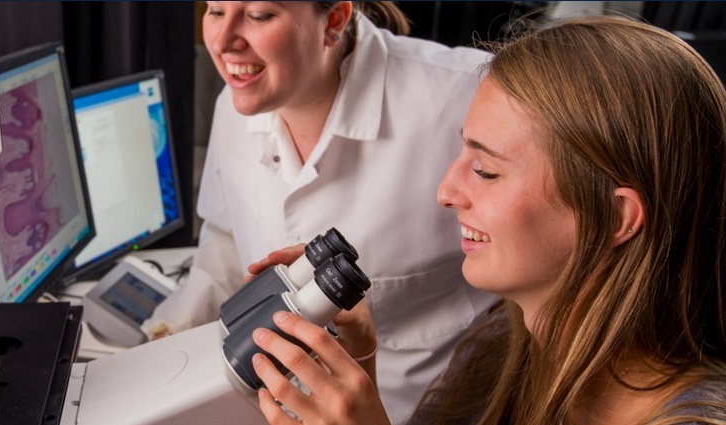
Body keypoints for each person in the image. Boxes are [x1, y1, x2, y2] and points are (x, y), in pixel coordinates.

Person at [249, 15, 726, 424]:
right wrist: (360, 361)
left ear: (615, 217)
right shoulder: (501, 346)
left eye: (486, 171)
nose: (445, 193)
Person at [142, 2, 500, 421]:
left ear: (333, 20)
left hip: (424, 409)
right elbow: (224, 235)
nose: (220, 42)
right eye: (216, 10)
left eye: (258, 15)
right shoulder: (235, 102)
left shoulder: (466, 92)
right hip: (272, 404)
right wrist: (162, 335)